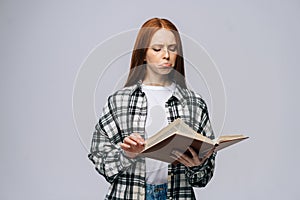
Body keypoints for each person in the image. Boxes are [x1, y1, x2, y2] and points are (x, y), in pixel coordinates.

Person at [88, 18, 216, 200]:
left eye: (172, 48)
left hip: (178, 195)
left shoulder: (194, 104)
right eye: (157, 49)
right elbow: (100, 157)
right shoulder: (119, 101)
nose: (166, 55)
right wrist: (126, 155)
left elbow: (204, 177)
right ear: (143, 53)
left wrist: (197, 166)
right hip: (129, 195)